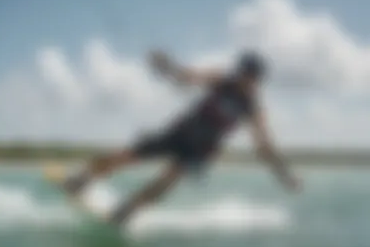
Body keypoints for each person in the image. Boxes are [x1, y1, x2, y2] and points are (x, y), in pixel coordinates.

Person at [63, 50, 301, 225]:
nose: (247, 81)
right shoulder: (222, 81)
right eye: (244, 74)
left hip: (200, 150)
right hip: (178, 134)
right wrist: (166, 66)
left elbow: (265, 146)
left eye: (252, 78)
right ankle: (84, 179)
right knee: (124, 156)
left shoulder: (252, 107)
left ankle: (128, 210)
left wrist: (284, 175)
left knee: (167, 179)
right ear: (240, 72)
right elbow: (187, 77)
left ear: (257, 79)